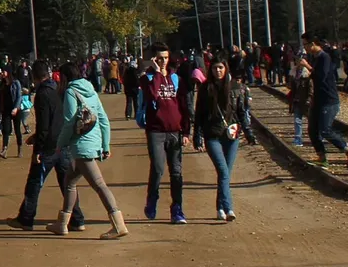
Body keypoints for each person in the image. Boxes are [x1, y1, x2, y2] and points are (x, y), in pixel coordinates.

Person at [50, 62, 127, 238]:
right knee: (69, 182)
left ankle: (118, 224)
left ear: (64, 77)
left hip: (81, 146)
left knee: (99, 185)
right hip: (93, 143)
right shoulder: (91, 90)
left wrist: (60, 144)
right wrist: (105, 145)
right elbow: (103, 119)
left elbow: (69, 122)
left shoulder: (70, 92)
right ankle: (62, 223)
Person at [11, 62, 83, 232]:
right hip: (62, 143)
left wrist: (38, 149)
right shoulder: (59, 90)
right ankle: (77, 219)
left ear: (34, 77)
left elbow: (44, 125)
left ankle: (26, 218)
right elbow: (57, 119)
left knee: (35, 182)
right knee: (67, 184)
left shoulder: (43, 94)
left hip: (49, 147)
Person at [136, 45, 189, 224]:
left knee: (176, 171)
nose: (163, 61)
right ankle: (152, 199)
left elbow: (183, 106)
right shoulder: (147, 78)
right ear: (153, 59)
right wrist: (158, 73)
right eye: (159, 58)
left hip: (175, 131)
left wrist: (186, 131)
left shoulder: (176, 78)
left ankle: (177, 208)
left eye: (165, 58)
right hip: (156, 132)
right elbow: (152, 96)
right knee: (158, 169)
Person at [193, 58, 252, 221]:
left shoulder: (236, 87)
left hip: (231, 136)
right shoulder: (205, 89)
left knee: (225, 173)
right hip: (212, 135)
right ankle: (229, 208)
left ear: (225, 69)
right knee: (223, 171)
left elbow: (242, 112)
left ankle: (220, 208)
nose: (217, 71)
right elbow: (199, 114)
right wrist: (197, 136)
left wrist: (248, 131)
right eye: (214, 68)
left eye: (220, 68)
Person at [307, 43, 348, 169]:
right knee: (313, 130)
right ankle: (322, 158)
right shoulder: (316, 58)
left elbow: (321, 77)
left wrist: (307, 66)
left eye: (305, 44)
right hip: (318, 99)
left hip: (328, 100)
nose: (304, 47)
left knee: (325, 130)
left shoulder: (325, 58)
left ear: (313, 43)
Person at [0, 69, 24, 157]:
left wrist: (15, 108)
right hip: (6, 110)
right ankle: (4, 150)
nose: (2, 73)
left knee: (17, 130)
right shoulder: (2, 84)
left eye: (4, 72)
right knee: (5, 130)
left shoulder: (16, 83)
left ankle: (20, 149)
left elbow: (19, 96)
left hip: (16, 109)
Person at [288, 54, 313, 146]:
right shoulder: (293, 72)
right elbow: (290, 86)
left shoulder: (308, 74)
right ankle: (298, 139)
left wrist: (309, 99)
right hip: (296, 100)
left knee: (311, 121)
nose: (299, 62)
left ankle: (317, 138)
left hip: (306, 101)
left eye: (301, 60)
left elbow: (311, 89)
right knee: (297, 120)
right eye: (298, 60)